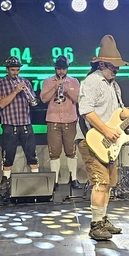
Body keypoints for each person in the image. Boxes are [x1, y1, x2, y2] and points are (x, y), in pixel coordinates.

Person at [78, 35, 129, 241]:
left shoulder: (113, 85)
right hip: (93, 139)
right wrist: (106, 130)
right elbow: (86, 111)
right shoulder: (92, 81)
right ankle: (95, 225)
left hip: (108, 142)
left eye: (117, 68)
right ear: (101, 64)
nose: (116, 71)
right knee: (100, 183)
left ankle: (103, 219)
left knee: (108, 183)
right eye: (113, 67)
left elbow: (119, 111)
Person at [0, 56, 40, 192]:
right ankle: (6, 180)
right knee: (8, 155)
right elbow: (1, 104)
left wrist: (29, 96)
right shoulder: (0, 83)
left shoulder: (26, 82)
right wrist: (16, 91)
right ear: (7, 70)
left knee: (32, 154)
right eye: (13, 70)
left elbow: (33, 101)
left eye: (17, 70)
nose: (16, 73)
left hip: (26, 123)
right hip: (9, 124)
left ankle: (36, 180)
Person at [39, 56, 82, 190]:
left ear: (67, 69)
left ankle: (74, 178)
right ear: (55, 69)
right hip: (53, 121)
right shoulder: (48, 81)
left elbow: (79, 99)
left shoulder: (74, 81)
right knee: (54, 152)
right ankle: (55, 180)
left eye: (63, 69)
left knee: (71, 151)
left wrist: (67, 90)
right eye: (58, 69)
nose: (61, 72)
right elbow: (44, 99)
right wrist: (54, 88)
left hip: (70, 120)